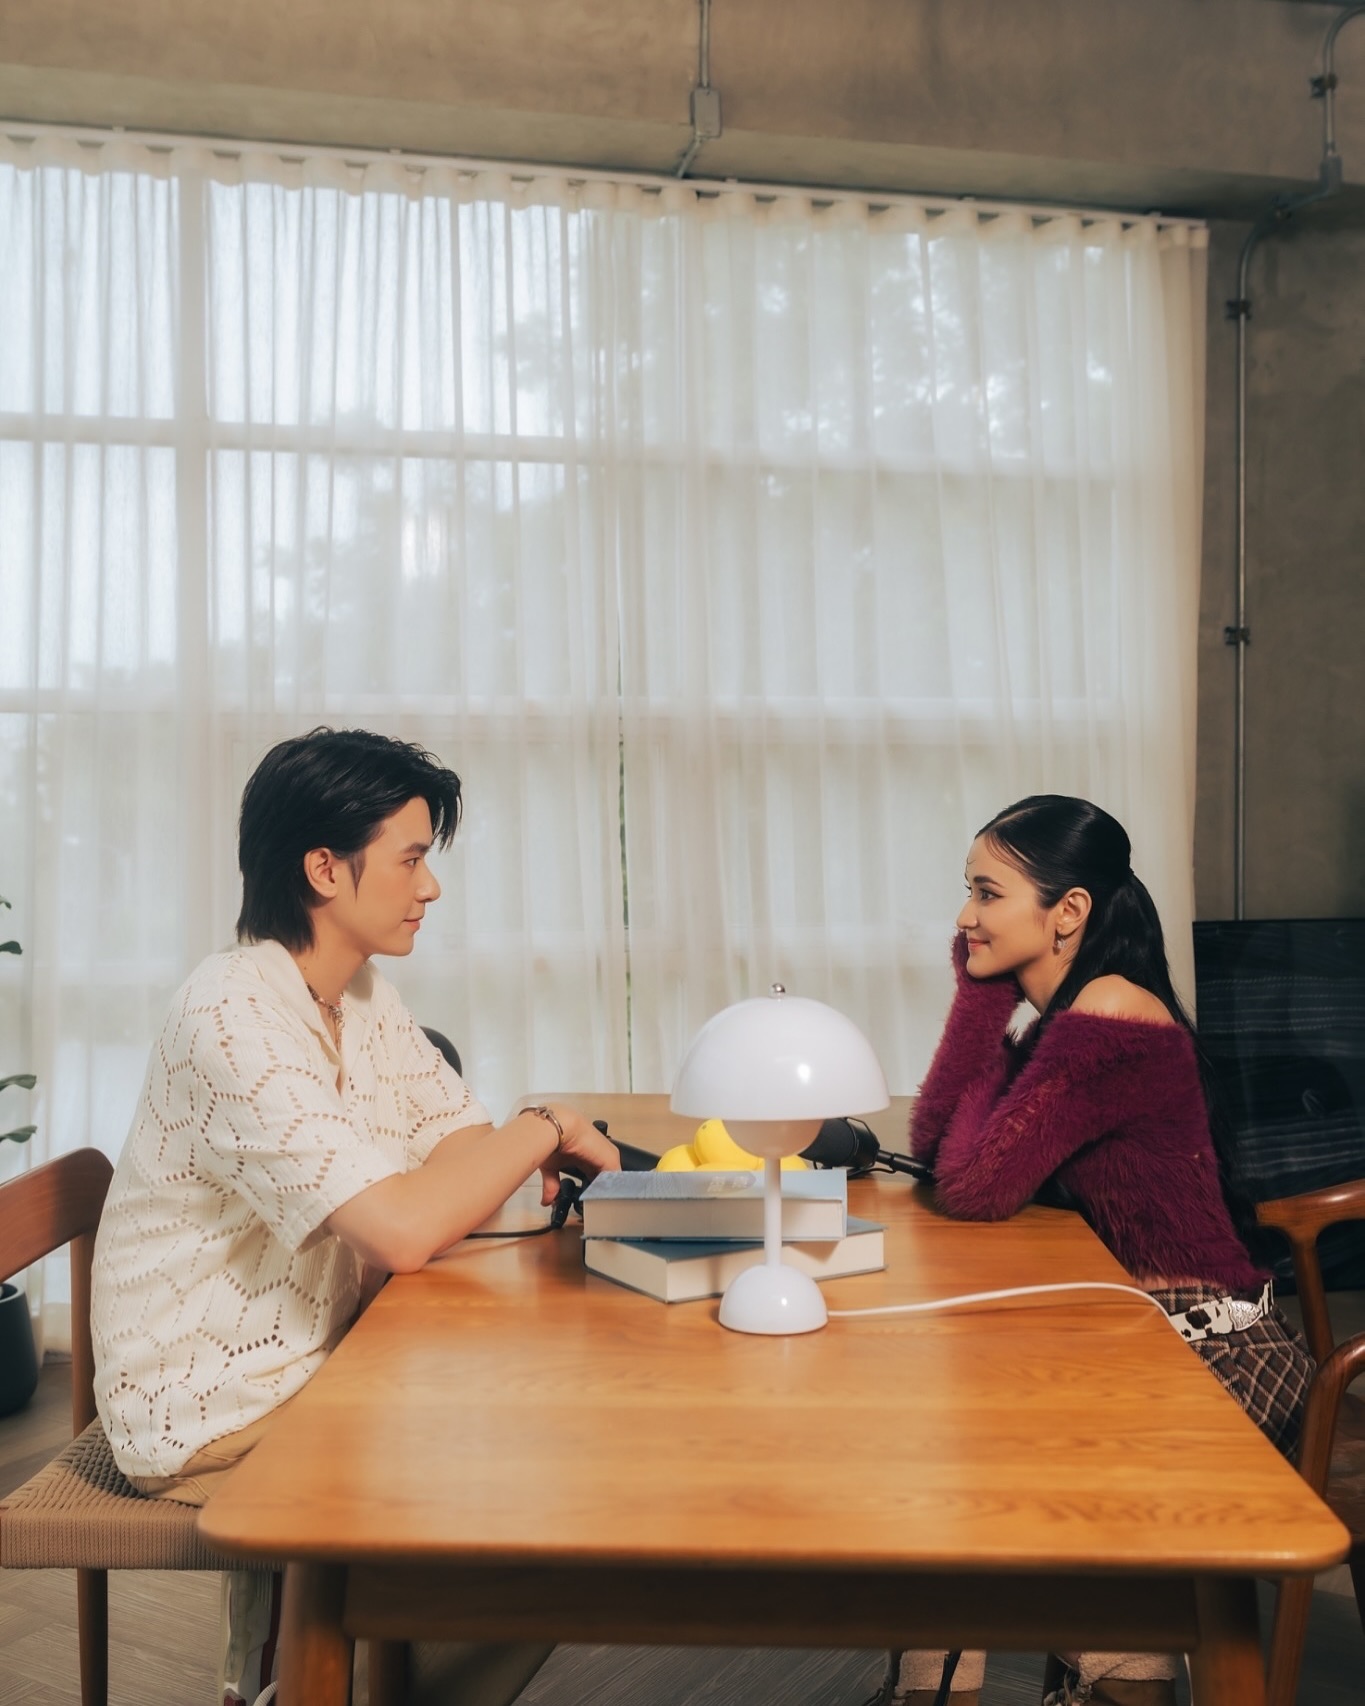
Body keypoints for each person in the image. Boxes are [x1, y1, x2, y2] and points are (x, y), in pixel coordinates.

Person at [90, 727, 619, 1705]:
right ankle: (332, 1674)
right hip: (212, 1404)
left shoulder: (360, 993)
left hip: (316, 1358)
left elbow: (459, 1146)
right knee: (545, 1486)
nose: (432, 888)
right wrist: (544, 1125)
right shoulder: (233, 1012)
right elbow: (409, 1227)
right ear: (324, 868)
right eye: (413, 858)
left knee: (556, 1438)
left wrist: (502, 1146)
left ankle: (334, 1672)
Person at [882, 795, 1312, 1706]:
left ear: (1066, 911)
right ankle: (942, 1689)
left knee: (994, 1467)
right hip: (1142, 1343)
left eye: (986, 893)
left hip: (1220, 1360)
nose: (964, 917)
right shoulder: (1060, 1022)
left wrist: (973, 998)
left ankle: (1094, 1691)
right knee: (955, 1449)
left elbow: (973, 1184)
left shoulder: (1112, 1014)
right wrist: (985, 998)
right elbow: (933, 1141)